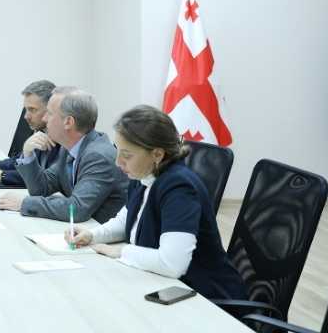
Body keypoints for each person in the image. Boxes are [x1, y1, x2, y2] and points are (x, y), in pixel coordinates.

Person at [67, 105, 246, 301]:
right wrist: (92, 235)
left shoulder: (179, 188)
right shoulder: (143, 174)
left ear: (157, 155)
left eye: (127, 155)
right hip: (163, 285)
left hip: (206, 298)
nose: (118, 162)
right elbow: (127, 220)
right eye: (118, 151)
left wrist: (120, 251)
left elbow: (172, 263)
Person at [0, 86, 126, 223]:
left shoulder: (99, 156)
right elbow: (42, 188)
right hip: (82, 230)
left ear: (68, 122)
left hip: (100, 233)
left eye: (49, 113)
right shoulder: (69, 148)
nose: (44, 119)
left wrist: (24, 203)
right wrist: (28, 154)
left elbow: (77, 209)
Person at [0, 79, 60, 186]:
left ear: (50, 109)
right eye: (26, 109)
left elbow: (43, 179)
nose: (26, 116)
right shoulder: (42, 132)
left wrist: (1, 175)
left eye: (32, 110)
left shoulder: (61, 141)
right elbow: (18, 161)